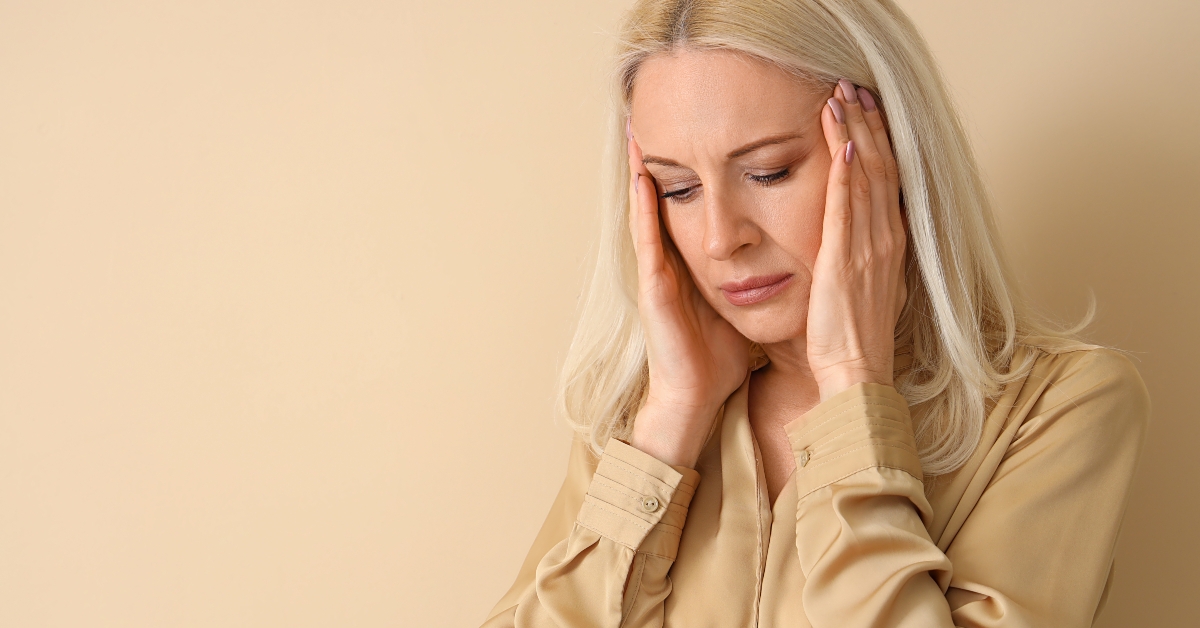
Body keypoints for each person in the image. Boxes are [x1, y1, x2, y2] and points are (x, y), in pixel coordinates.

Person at [482, 0, 1149, 626]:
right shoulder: (639, 417)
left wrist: (852, 386)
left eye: (769, 172)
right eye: (677, 187)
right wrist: (670, 425)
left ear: (889, 153)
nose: (720, 238)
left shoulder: (1059, 407)